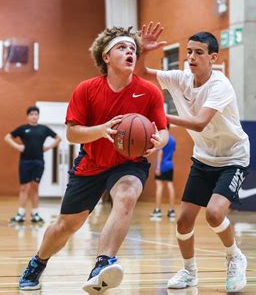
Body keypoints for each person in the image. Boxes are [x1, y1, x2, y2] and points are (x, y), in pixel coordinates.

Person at [18, 26, 169, 293]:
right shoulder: (87, 89)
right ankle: (38, 261)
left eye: (133, 48)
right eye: (122, 48)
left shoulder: (150, 92)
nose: (129, 52)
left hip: (129, 163)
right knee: (66, 226)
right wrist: (102, 130)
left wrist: (160, 141)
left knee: (127, 194)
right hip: (91, 164)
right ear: (106, 57)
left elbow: (164, 129)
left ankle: (102, 263)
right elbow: (72, 133)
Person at [138, 22, 250, 292]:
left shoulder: (220, 85)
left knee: (213, 214)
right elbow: (140, 74)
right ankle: (189, 272)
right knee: (183, 219)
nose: (190, 58)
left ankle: (235, 257)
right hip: (203, 158)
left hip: (232, 158)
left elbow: (199, 123)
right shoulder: (180, 78)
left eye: (198, 53)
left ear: (213, 57)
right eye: (188, 52)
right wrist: (143, 50)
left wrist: (158, 118)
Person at [5, 106, 61, 223]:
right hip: (25, 162)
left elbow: (58, 138)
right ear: (28, 116)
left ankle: (35, 214)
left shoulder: (43, 129)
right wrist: (18, 146)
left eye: (36, 114)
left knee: (35, 187)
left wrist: (48, 147)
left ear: (38, 115)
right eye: (31, 114)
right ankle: (20, 214)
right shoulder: (23, 129)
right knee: (24, 188)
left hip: (38, 162)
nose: (34, 116)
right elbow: (7, 137)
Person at [151, 123, 176, 219]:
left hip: (162, 166)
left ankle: (157, 210)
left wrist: (157, 167)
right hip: (170, 165)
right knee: (170, 186)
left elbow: (160, 152)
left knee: (159, 186)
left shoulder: (162, 139)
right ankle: (172, 210)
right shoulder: (173, 139)